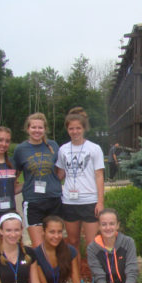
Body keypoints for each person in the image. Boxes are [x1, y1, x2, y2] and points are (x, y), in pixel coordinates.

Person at [55, 107, 105, 252]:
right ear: (67, 129)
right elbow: (60, 174)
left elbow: (99, 175)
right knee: (72, 242)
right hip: (69, 201)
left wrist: (100, 202)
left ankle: (94, 275)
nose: (75, 131)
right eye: (71, 128)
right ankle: (76, 275)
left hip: (89, 201)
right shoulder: (63, 149)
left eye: (78, 128)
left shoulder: (94, 148)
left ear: (84, 128)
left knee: (92, 244)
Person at [13, 113, 62, 247]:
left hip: (54, 200)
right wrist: (27, 184)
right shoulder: (20, 149)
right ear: (28, 129)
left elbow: (60, 171)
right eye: (33, 127)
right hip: (33, 202)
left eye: (40, 128)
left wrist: (54, 183)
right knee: (39, 246)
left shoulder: (53, 146)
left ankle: (55, 269)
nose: (37, 130)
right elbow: (14, 176)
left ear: (45, 129)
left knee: (54, 244)